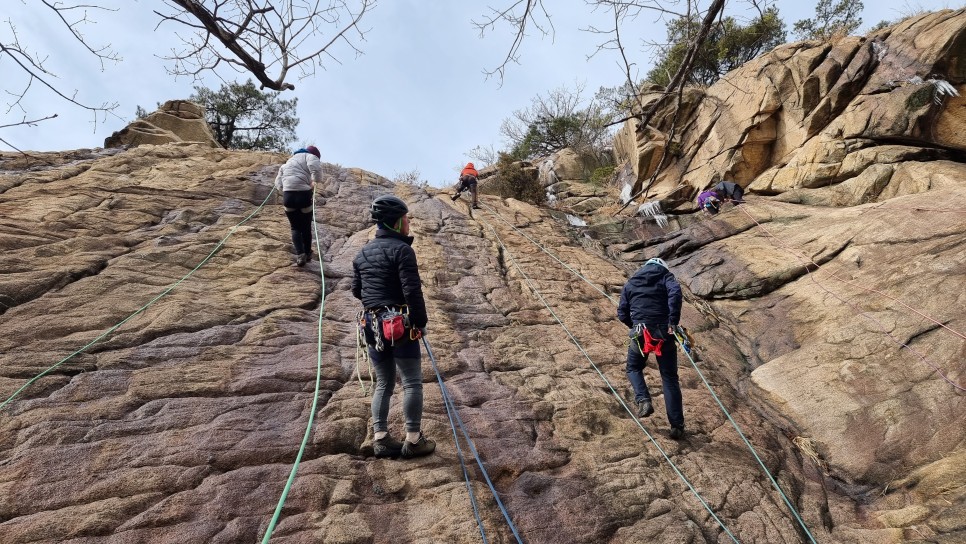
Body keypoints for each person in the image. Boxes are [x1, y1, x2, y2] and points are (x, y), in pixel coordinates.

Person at [352, 195, 435, 459]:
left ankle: (381, 438)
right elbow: (412, 290)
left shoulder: (362, 253)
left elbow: (357, 290)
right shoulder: (402, 250)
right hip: (399, 324)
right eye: (405, 219)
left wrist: (377, 300)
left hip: (371, 325)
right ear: (395, 223)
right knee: (411, 382)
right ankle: (413, 439)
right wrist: (419, 322)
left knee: (384, 383)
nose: (408, 223)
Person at [617, 257, 686, 439]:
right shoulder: (666, 277)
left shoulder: (631, 282)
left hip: (640, 332)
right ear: (663, 267)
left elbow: (622, 313)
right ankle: (677, 426)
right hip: (665, 332)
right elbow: (676, 293)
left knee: (633, 368)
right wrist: (673, 321)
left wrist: (635, 324)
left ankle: (643, 399)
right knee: (669, 377)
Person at [274, 146, 323, 266]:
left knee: (295, 227)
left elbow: (278, 184)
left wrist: (286, 188)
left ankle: (300, 254)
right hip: (304, 196)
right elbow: (316, 170)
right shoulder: (310, 157)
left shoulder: (287, 163)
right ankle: (307, 253)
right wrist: (315, 182)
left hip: (288, 197)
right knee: (306, 227)